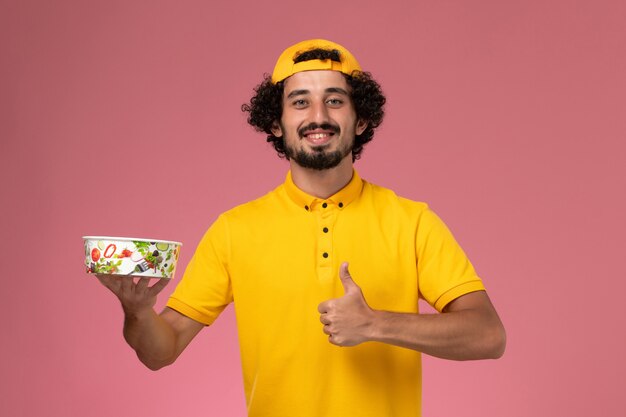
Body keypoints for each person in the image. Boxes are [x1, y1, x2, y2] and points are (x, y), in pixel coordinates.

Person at [97, 39, 506, 417]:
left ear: (360, 119)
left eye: (334, 100)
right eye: (299, 102)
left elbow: (488, 335)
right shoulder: (235, 230)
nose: (318, 117)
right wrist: (136, 312)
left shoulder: (413, 222)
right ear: (276, 123)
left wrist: (375, 324)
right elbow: (159, 352)